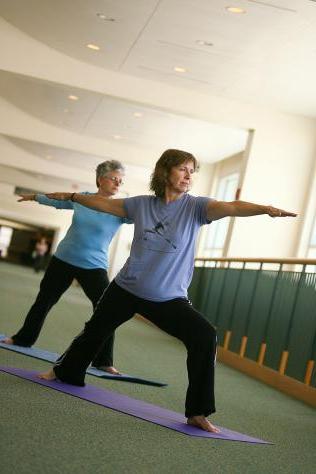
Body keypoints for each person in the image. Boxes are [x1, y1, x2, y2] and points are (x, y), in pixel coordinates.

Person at [38, 149, 296, 432]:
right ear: (165, 171)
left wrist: (265, 209)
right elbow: (103, 205)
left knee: (204, 335)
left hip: (167, 297)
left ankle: (198, 411)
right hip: (126, 288)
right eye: (183, 169)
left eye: (192, 171)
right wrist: (73, 197)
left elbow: (232, 206)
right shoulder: (140, 205)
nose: (189, 176)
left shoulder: (197, 207)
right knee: (94, 331)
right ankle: (66, 371)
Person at [2, 160, 131, 374]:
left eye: (121, 180)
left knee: (107, 311)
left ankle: (104, 360)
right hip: (63, 259)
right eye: (114, 178)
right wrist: (35, 197)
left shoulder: (120, 208)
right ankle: (22, 339)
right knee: (43, 301)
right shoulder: (82, 198)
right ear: (100, 179)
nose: (118, 183)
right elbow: (57, 200)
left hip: (95, 266)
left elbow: (145, 215)